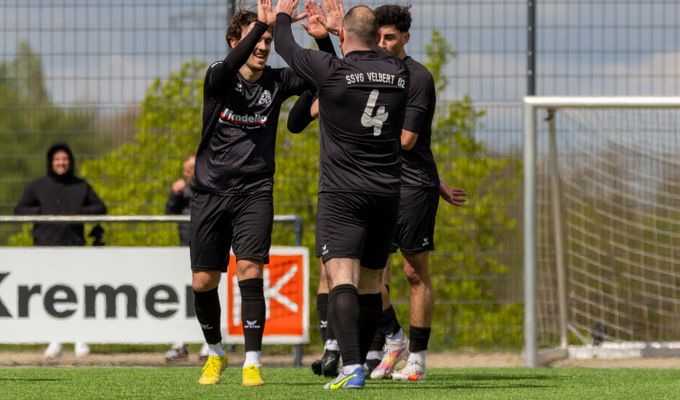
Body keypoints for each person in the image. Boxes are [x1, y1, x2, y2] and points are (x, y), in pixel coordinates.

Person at [274, 0, 409, 390]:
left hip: (342, 194)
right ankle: (361, 362)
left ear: (344, 36)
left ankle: (351, 367)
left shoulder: (332, 71)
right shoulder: (400, 72)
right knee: (371, 285)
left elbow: (285, 44)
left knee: (341, 279)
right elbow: (363, 61)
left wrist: (284, 13)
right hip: (386, 193)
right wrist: (340, 33)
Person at [189, 0, 309, 387]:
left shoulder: (276, 82)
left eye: (268, 41)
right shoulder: (217, 77)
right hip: (210, 192)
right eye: (256, 39)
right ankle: (215, 354)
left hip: (255, 192)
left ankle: (252, 361)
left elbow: (320, 75)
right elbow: (228, 65)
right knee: (203, 282)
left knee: (249, 270)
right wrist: (261, 23)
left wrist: (323, 42)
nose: (262, 46)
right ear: (234, 41)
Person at [365, 4, 467, 382]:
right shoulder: (368, 72)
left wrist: (359, 138)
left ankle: (418, 358)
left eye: (389, 37)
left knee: (413, 271)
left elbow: (408, 141)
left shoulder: (418, 78)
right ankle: (393, 340)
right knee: (368, 272)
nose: (382, 42)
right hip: (375, 182)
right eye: (377, 35)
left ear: (405, 37)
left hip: (410, 184)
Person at [15, 142, 107, 358]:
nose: (61, 163)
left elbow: (100, 208)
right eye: (57, 160)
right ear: (51, 162)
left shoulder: (81, 186)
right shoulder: (38, 185)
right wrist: (43, 212)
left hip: (74, 247)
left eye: (64, 159)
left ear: (70, 161)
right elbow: (20, 209)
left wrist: (77, 212)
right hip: (45, 248)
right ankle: (55, 339)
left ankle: (79, 338)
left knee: (77, 293)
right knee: (50, 295)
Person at [163, 155, 210, 362]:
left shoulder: (211, 186)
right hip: (185, 248)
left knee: (207, 293)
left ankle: (209, 343)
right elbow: (169, 212)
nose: (188, 173)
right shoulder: (182, 192)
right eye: (186, 169)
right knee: (184, 297)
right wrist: (174, 194)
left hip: (209, 247)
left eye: (192, 168)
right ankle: (180, 343)